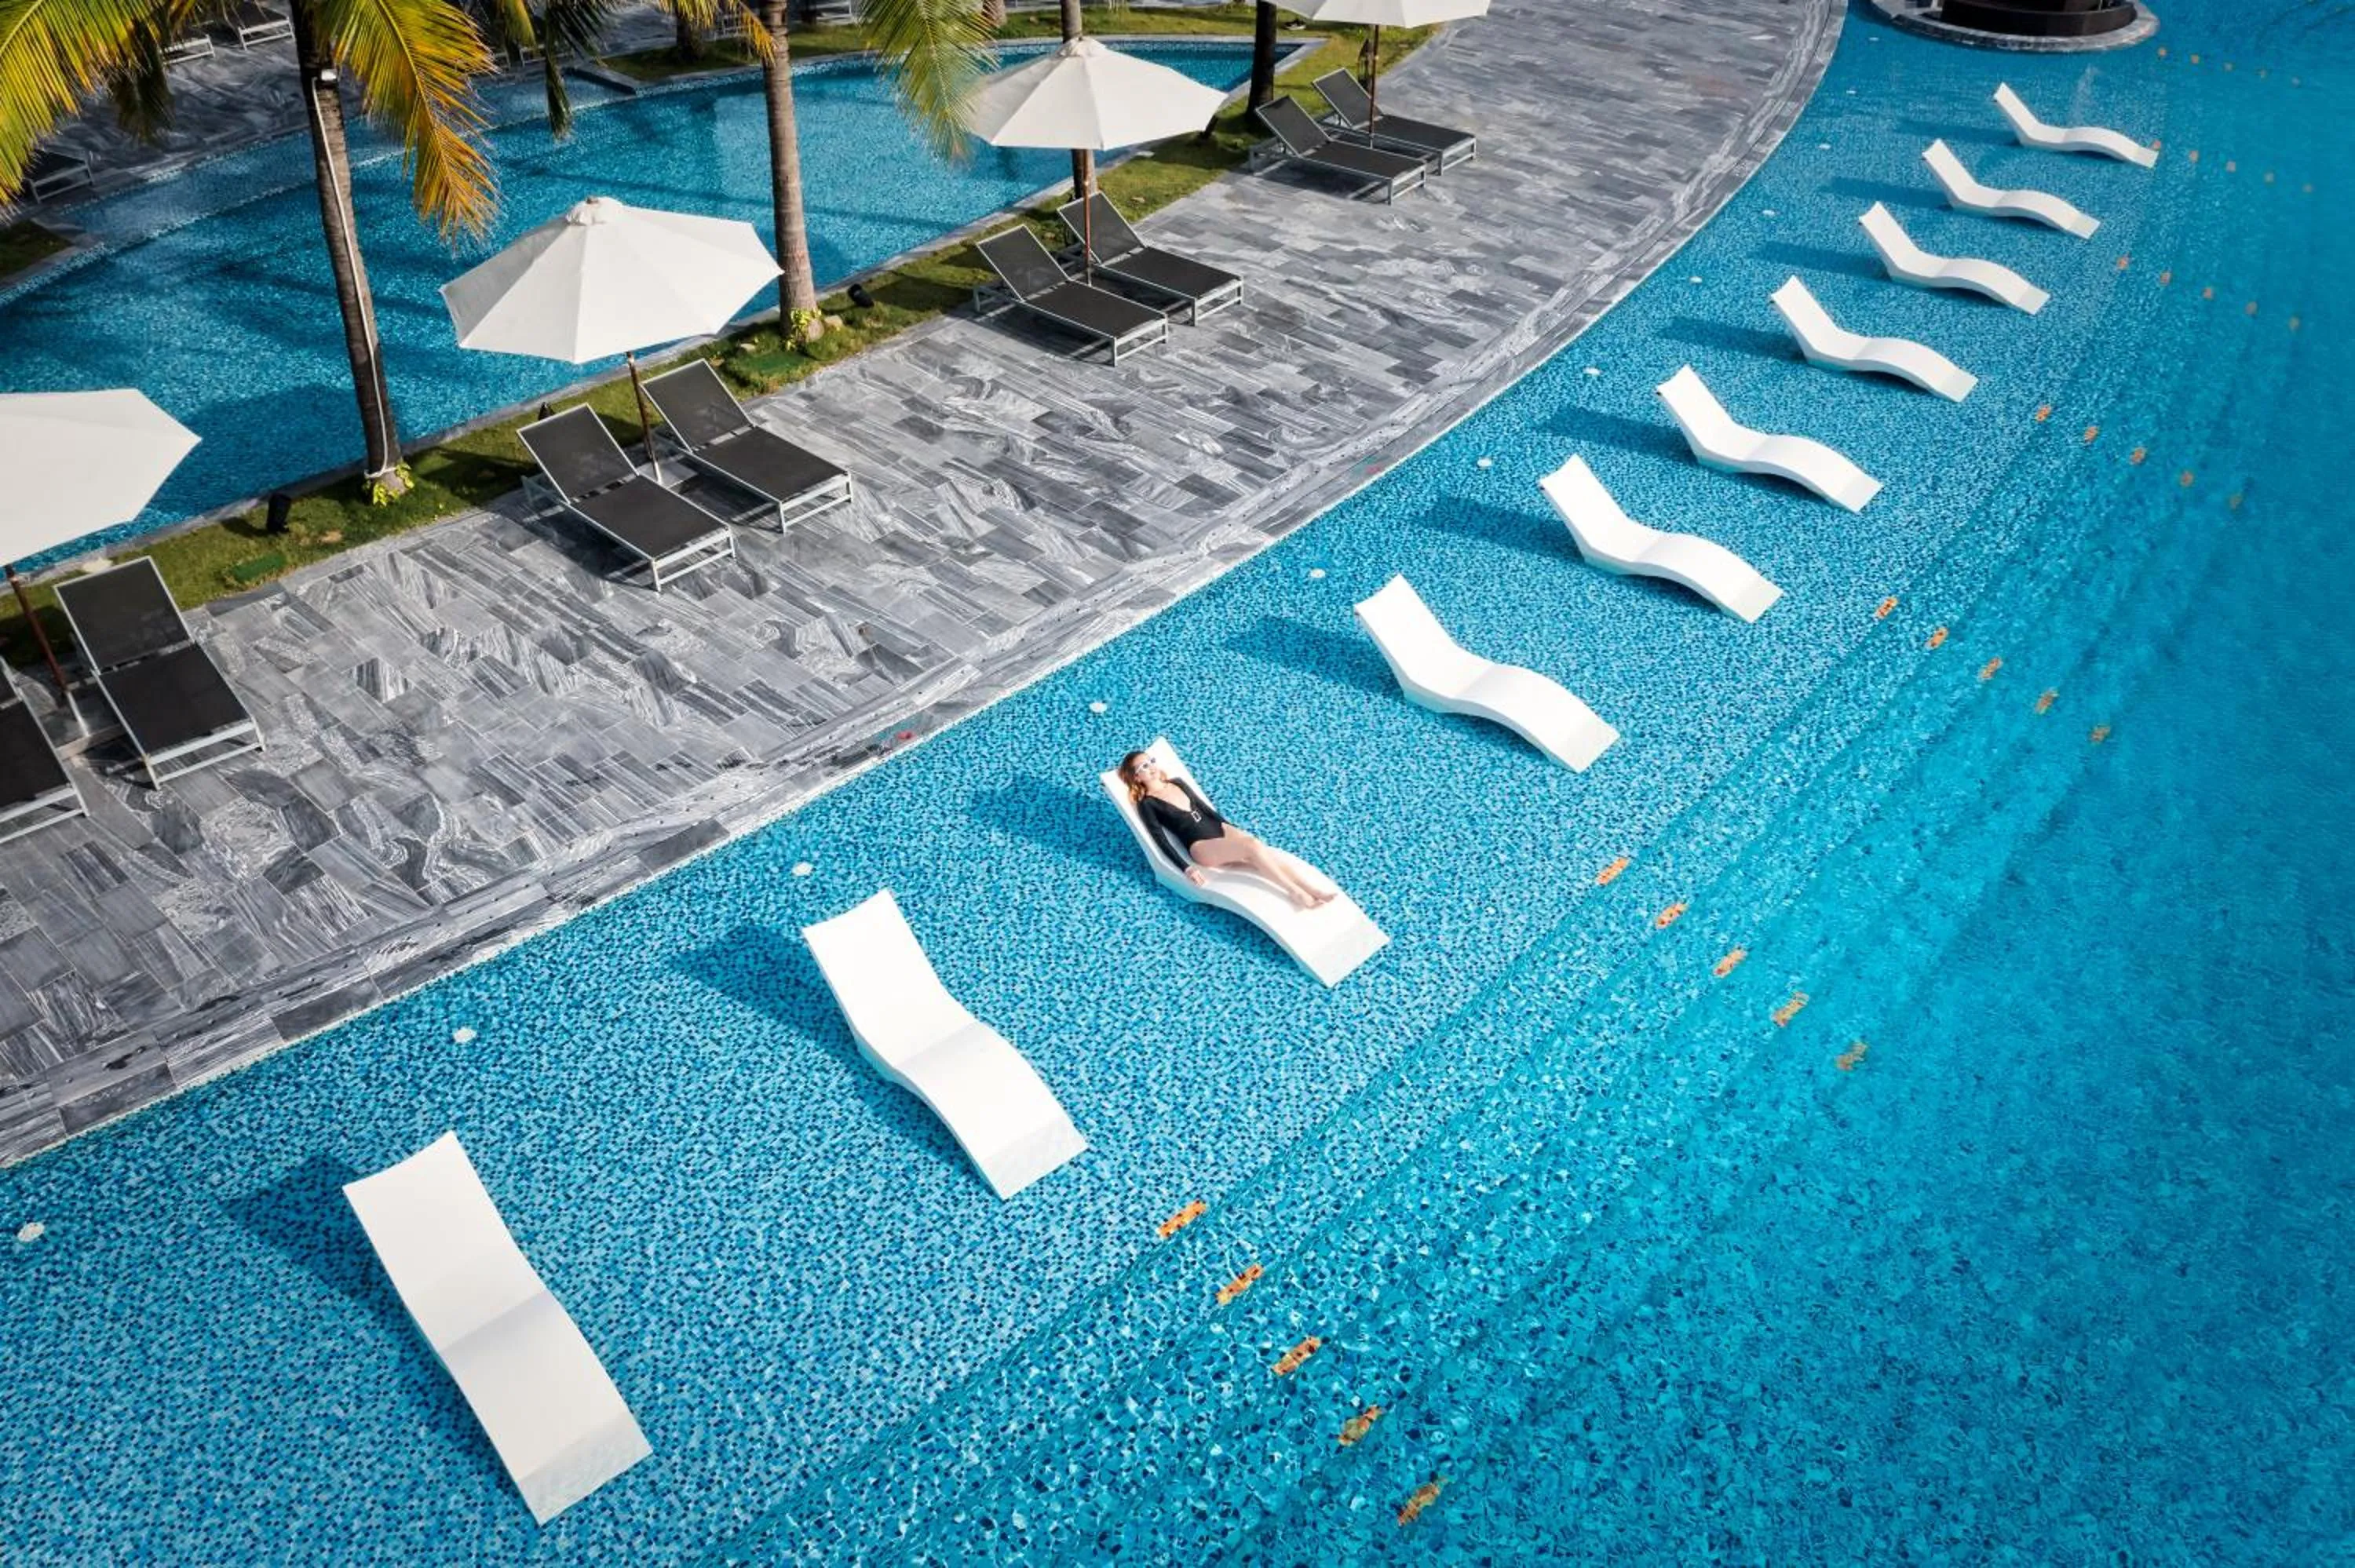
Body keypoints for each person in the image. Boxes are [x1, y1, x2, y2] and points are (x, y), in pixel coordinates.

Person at [1118, 750, 1334, 910]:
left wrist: (1232, 829)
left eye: (1150, 761)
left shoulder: (1178, 782)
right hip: (1200, 846)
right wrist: (1187, 868)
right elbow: (1160, 840)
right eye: (1143, 767)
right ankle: (1295, 892)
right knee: (1252, 847)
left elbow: (1206, 810)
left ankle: (1312, 890)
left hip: (1217, 828)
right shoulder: (1147, 804)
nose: (1151, 767)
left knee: (1259, 848)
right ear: (1136, 778)